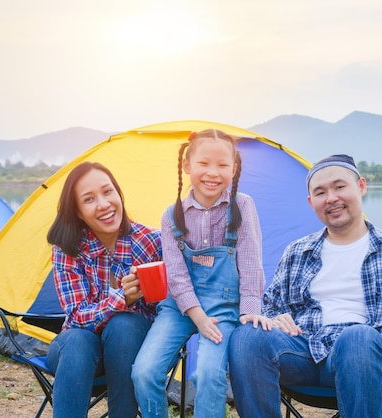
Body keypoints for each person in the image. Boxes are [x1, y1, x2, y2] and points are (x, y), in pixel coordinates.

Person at [228, 154, 382, 418]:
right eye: (320, 192)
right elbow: (268, 306)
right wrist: (273, 318)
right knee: (248, 335)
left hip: (368, 357)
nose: (331, 198)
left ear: (361, 187)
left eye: (339, 187)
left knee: (358, 337)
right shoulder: (297, 252)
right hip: (304, 352)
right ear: (311, 203)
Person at [132, 129, 266, 418]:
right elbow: (177, 276)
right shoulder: (172, 215)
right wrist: (198, 316)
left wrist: (250, 310)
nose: (212, 173)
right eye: (204, 163)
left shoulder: (242, 206)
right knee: (144, 372)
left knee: (207, 375)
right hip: (179, 307)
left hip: (225, 306)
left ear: (234, 168)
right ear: (187, 165)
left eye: (222, 165)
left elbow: (252, 262)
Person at [45, 161, 162, 418]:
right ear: (77, 212)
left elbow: (170, 304)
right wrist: (123, 298)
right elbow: (76, 317)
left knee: (125, 325)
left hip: (130, 351)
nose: (104, 204)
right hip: (76, 353)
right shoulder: (68, 249)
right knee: (77, 340)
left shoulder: (152, 242)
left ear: (119, 194)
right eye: (89, 199)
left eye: (108, 192)